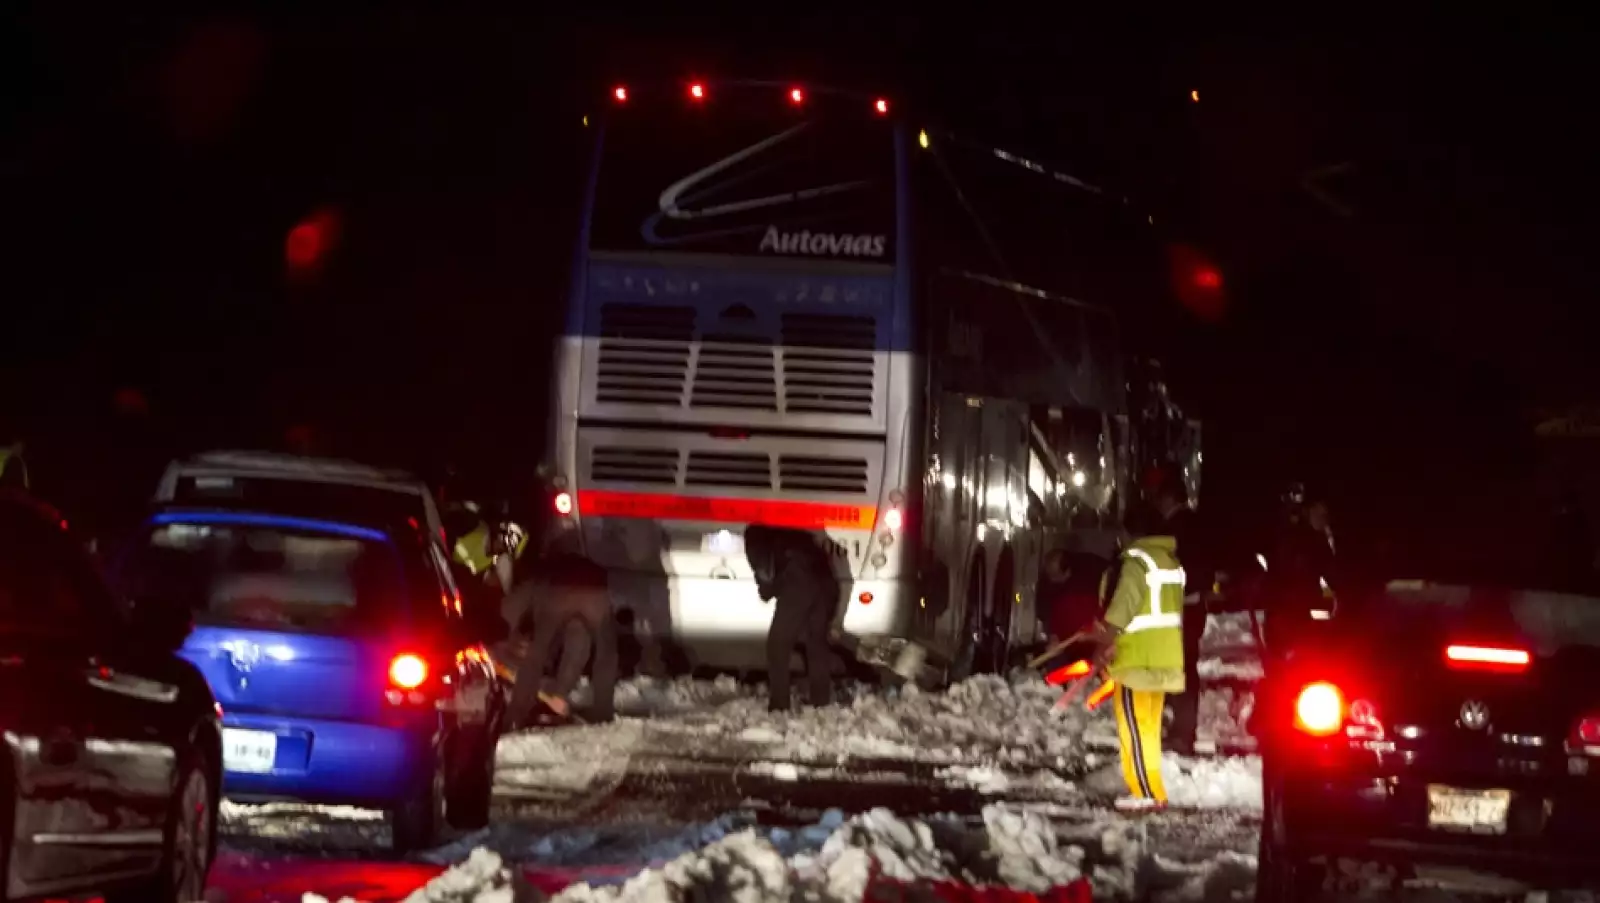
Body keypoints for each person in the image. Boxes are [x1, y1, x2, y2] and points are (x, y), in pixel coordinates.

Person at [1092, 505, 1186, 812]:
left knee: (1133, 729)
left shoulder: (1137, 563)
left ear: (1130, 533)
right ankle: (1152, 788)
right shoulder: (1169, 562)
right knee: (1148, 729)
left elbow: (1123, 608)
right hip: (1163, 658)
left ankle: (1145, 792)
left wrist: (1103, 640)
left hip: (1136, 661)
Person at [502, 552, 618, 726]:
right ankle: (602, 711)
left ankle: (518, 712)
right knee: (604, 653)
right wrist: (561, 692)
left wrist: (500, 635)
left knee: (537, 653)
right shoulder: (576, 563)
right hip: (596, 593)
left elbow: (508, 611)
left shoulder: (535, 581)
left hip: (559, 593)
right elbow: (578, 650)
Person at [744, 524, 837, 712]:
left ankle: (779, 705)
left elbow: (765, 574)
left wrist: (765, 590)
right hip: (826, 583)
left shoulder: (754, 536)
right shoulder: (795, 533)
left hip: (799, 582)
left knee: (777, 645)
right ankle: (821, 701)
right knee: (816, 643)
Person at [1159, 481, 1211, 756]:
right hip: (1194, 605)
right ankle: (1181, 729)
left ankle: (1180, 732)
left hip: (1179, 606)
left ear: (1169, 499)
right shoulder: (1197, 525)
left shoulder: (1175, 529)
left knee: (1178, 668)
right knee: (1186, 666)